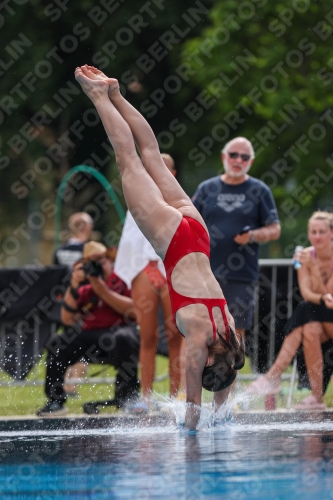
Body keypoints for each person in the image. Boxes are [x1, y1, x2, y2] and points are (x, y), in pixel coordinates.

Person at [74, 65, 245, 430]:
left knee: (151, 152)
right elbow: (194, 410)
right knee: (128, 160)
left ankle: (117, 93)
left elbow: (225, 380)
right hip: (174, 242)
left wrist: (223, 405)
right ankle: (99, 96)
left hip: (197, 235)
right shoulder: (200, 340)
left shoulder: (229, 334)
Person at [192, 138, 280, 343]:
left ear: (251, 161)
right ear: (224, 157)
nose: (238, 160)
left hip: (241, 275)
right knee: (203, 330)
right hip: (205, 273)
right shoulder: (206, 188)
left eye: (245, 156)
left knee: (235, 333)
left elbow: (275, 230)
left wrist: (252, 236)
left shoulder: (259, 190)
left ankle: (231, 375)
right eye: (233, 155)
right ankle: (203, 375)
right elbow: (189, 223)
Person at [37, 241, 139, 416]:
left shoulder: (123, 280)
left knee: (126, 338)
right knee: (57, 342)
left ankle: (127, 399)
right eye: (92, 263)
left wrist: (103, 290)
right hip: (90, 334)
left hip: (119, 331)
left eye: (101, 261)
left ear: (109, 261)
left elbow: (135, 313)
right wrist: (74, 284)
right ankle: (56, 401)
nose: (98, 267)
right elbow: (67, 319)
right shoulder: (86, 288)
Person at [114, 155, 183, 412]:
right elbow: (132, 239)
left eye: (165, 168)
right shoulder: (137, 199)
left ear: (173, 173)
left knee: (176, 334)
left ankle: (176, 397)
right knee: (148, 336)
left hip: (170, 269)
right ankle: (146, 398)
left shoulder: (179, 201)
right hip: (145, 269)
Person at [248, 211, 333, 410]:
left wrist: (313, 268)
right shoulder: (303, 256)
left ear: (331, 234)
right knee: (310, 328)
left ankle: (273, 376)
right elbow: (307, 293)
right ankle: (316, 399)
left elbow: (329, 298)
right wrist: (310, 268)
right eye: (313, 232)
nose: (317, 236)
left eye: (322, 231)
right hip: (322, 320)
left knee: (306, 310)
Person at [53, 211, 94, 397]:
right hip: (83, 306)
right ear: (87, 228)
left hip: (63, 306)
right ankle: (70, 386)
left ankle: (64, 384)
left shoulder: (60, 251)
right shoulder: (89, 252)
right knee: (81, 347)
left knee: (66, 344)